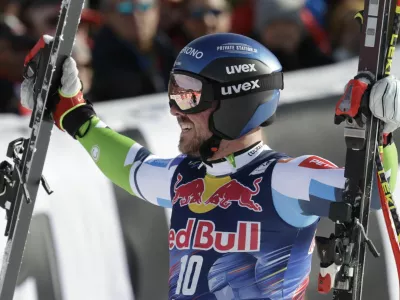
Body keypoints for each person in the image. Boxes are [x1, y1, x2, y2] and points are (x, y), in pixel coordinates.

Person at [17, 33, 400, 299]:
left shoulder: (286, 179)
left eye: (189, 94)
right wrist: (73, 113)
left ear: (235, 103)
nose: (174, 108)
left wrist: (381, 139)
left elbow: (373, 195)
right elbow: (132, 169)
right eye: (174, 91)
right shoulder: (184, 179)